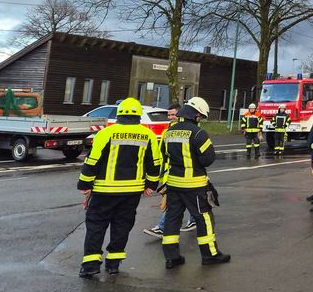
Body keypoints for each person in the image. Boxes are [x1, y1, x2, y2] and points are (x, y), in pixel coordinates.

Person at [78, 97, 162, 278]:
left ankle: (91, 265)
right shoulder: (148, 135)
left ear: (119, 114)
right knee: (122, 225)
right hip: (132, 191)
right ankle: (114, 263)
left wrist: (84, 184)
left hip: (104, 190)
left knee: (96, 225)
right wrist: (151, 185)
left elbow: (92, 161)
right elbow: (155, 163)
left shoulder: (105, 133)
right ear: (139, 115)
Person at [161, 96, 230, 267]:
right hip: (194, 185)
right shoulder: (198, 133)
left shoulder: (169, 132)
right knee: (204, 218)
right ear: (196, 115)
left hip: (174, 184)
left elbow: (164, 157)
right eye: (201, 117)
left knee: (172, 219)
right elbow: (208, 158)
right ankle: (210, 255)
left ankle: (172, 257)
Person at [143, 104, 196, 237]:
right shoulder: (169, 128)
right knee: (184, 200)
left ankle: (162, 227)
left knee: (174, 201)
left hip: (180, 173)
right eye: (169, 114)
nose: (171, 117)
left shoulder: (188, 129)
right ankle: (195, 219)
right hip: (171, 172)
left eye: (173, 114)